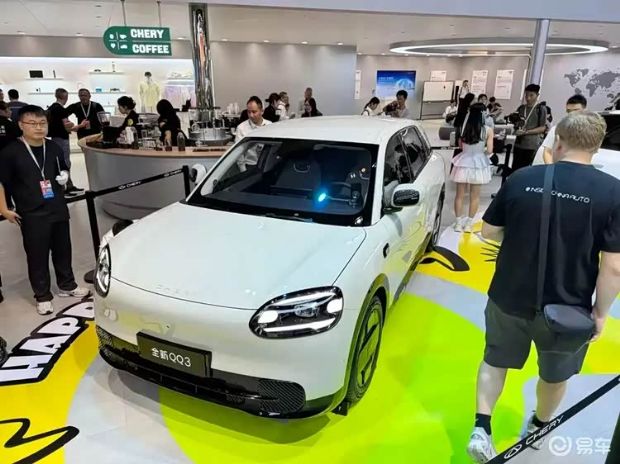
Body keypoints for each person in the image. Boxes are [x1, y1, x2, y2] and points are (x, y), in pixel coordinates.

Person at [467, 111, 620, 463]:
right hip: (569, 306)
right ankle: (538, 427)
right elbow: (613, 266)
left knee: (495, 360)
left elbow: (488, 232)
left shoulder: (523, 178)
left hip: (508, 295)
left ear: (558, 141)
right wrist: (601, 314)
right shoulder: (613, 192)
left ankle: (481, 428)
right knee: (554, 375)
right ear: (596, 147)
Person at [0, 105, 90, 315]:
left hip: (57, 206)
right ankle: (42, 295)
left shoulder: (53, 147)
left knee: (63, 249)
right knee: (37, 255)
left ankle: (67, 285)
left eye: (42, 123)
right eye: (32, 123)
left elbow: (62, 167)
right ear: (21, 125)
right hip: (31, 211)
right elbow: (1, 183)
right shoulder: (10, 152)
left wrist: (65, 176)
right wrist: (4, 209)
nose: (39, 127)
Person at [451, 103, 494, 233]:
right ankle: (469, 224)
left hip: (463, 161)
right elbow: (490, 150)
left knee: (459, 195)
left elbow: (460, 146)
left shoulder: (463, 128)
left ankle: (458, 223)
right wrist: (481, 152)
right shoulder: (488, 130)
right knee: (475, 196)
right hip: (478, 163)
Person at [47, 88, 84, 196]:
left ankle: (68, 185)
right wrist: (80, 125)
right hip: (62, 139)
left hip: (55, 139)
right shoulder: (61, 110)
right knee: (65, 163)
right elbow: (68, 127)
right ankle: (65, 188)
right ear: (65, 97)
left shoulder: (51, 108)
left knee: (60, 162)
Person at [534, 94, 588, 165]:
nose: (572, 114)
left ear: (585, 110)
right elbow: (547, 152)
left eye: (576, 111)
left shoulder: (588, 131)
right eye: (569, 111)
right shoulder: (557, 129)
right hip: (551, 166)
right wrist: (552, 168)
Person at [512, 84, 547, 172]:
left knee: (526, 170)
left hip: (531, 145)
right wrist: (516, 129)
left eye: (531, 95)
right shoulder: (521, 108)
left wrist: (526, 132)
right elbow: (517, 123)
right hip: (519, 144)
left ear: (537, 95)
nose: (528, 98)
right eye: (526, 95)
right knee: (515, 169)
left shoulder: (540, 109)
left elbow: (542, 128)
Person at [235, 96, 272, 172]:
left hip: (267, 165)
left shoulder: (270, 126)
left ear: (262, 111)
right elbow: (239, 153)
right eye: (249, 112)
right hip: (250, 166)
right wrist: (243, 171)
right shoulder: (241, 128)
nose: (251, 115)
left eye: (254, 112)